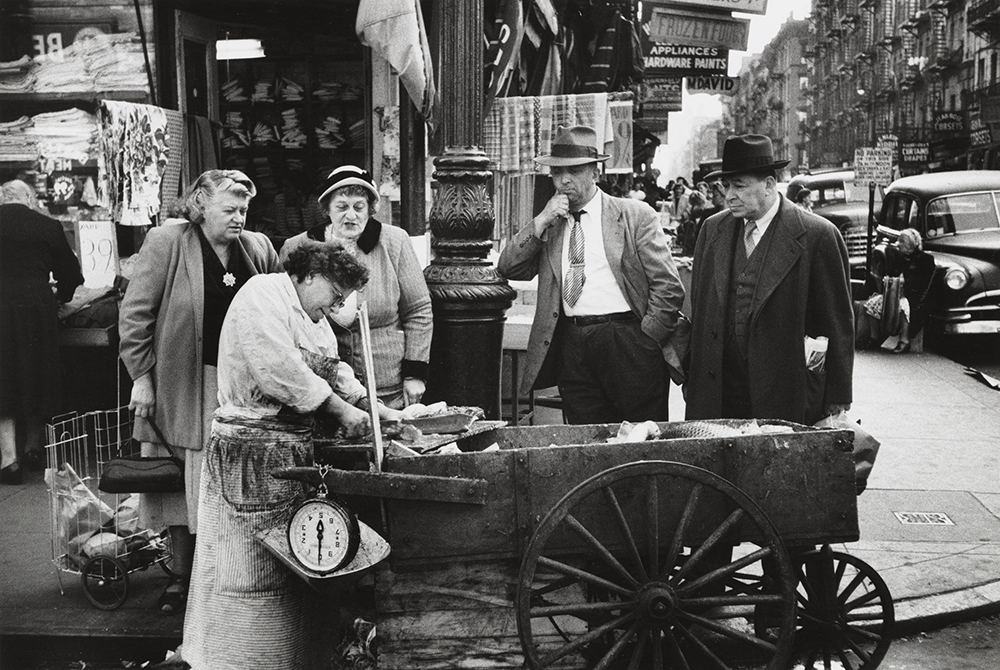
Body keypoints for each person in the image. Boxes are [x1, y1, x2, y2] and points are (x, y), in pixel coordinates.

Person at [183, 241, 402, 670]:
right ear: (310, 275)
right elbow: (278, 367)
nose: (339, 305)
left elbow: (332, 369)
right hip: (249, 456)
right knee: (245, 573)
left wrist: (375, 407)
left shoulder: (314, 318)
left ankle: (293, 660)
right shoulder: (261, 295)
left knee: (293, 572)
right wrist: (342, 412)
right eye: (336, 294)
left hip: (290, 455)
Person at [118, 169, 281, 614]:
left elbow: (281, 303)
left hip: (242, 386)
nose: (239, 218)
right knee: (184, 483)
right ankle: (184, 578)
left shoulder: (258, 248)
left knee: (233, 482)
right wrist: (142, 376)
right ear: (200, 205)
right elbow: (135, 317)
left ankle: (229, 575)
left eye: (244, 209)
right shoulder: (167, 243)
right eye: (229, 209)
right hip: (186, 383)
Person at [497, 125, 685, 424]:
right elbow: (509, 268)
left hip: (627, 339)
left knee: (639, 439)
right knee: (586, 437)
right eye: (557, 173)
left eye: (574, 171)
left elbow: (668, 286)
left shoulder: (634, 215)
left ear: (595, 172)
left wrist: (647, 337)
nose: (564, 180)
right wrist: (541, 220)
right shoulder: (552, 224)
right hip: (572, 343)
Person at [686, 134, 854, 426]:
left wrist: (838, 394)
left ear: (768, 184)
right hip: (720, 389)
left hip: (786, 390)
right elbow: (700, 310)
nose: (728, 196)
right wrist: (694, 377)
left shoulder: (817, 236)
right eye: (726, 186)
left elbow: (836, 323)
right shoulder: (712, 230)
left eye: (739, 186)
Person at [281, 165, 432, 408]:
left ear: (370, 210)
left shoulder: (394, 242)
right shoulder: (298, 246)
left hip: (386, 385)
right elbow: (285, 314)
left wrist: (415, 373)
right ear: (327, 209)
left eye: (359, 207)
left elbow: (419, 310)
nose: (351, 216)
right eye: (341, 207)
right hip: (324, 388)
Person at [0, 180, 83, 485]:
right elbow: (72, 276)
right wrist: (58, 297)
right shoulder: (48, 226)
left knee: (4, 378)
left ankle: (8, 460)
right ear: (30, 199)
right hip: (37, 308)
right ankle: (34, 446)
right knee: (36, 373)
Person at [881, 228, 936, 353]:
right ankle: (874, 338)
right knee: (872, 304)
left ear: (910, 244)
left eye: (901, 241)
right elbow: (891, 273)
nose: (897, 244)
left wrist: (904, 282)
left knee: (903, 306)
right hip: (898, 294)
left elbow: (923, 282)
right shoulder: (900, 258)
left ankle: (904, 341)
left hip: (916, 297)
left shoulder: (925, 259)